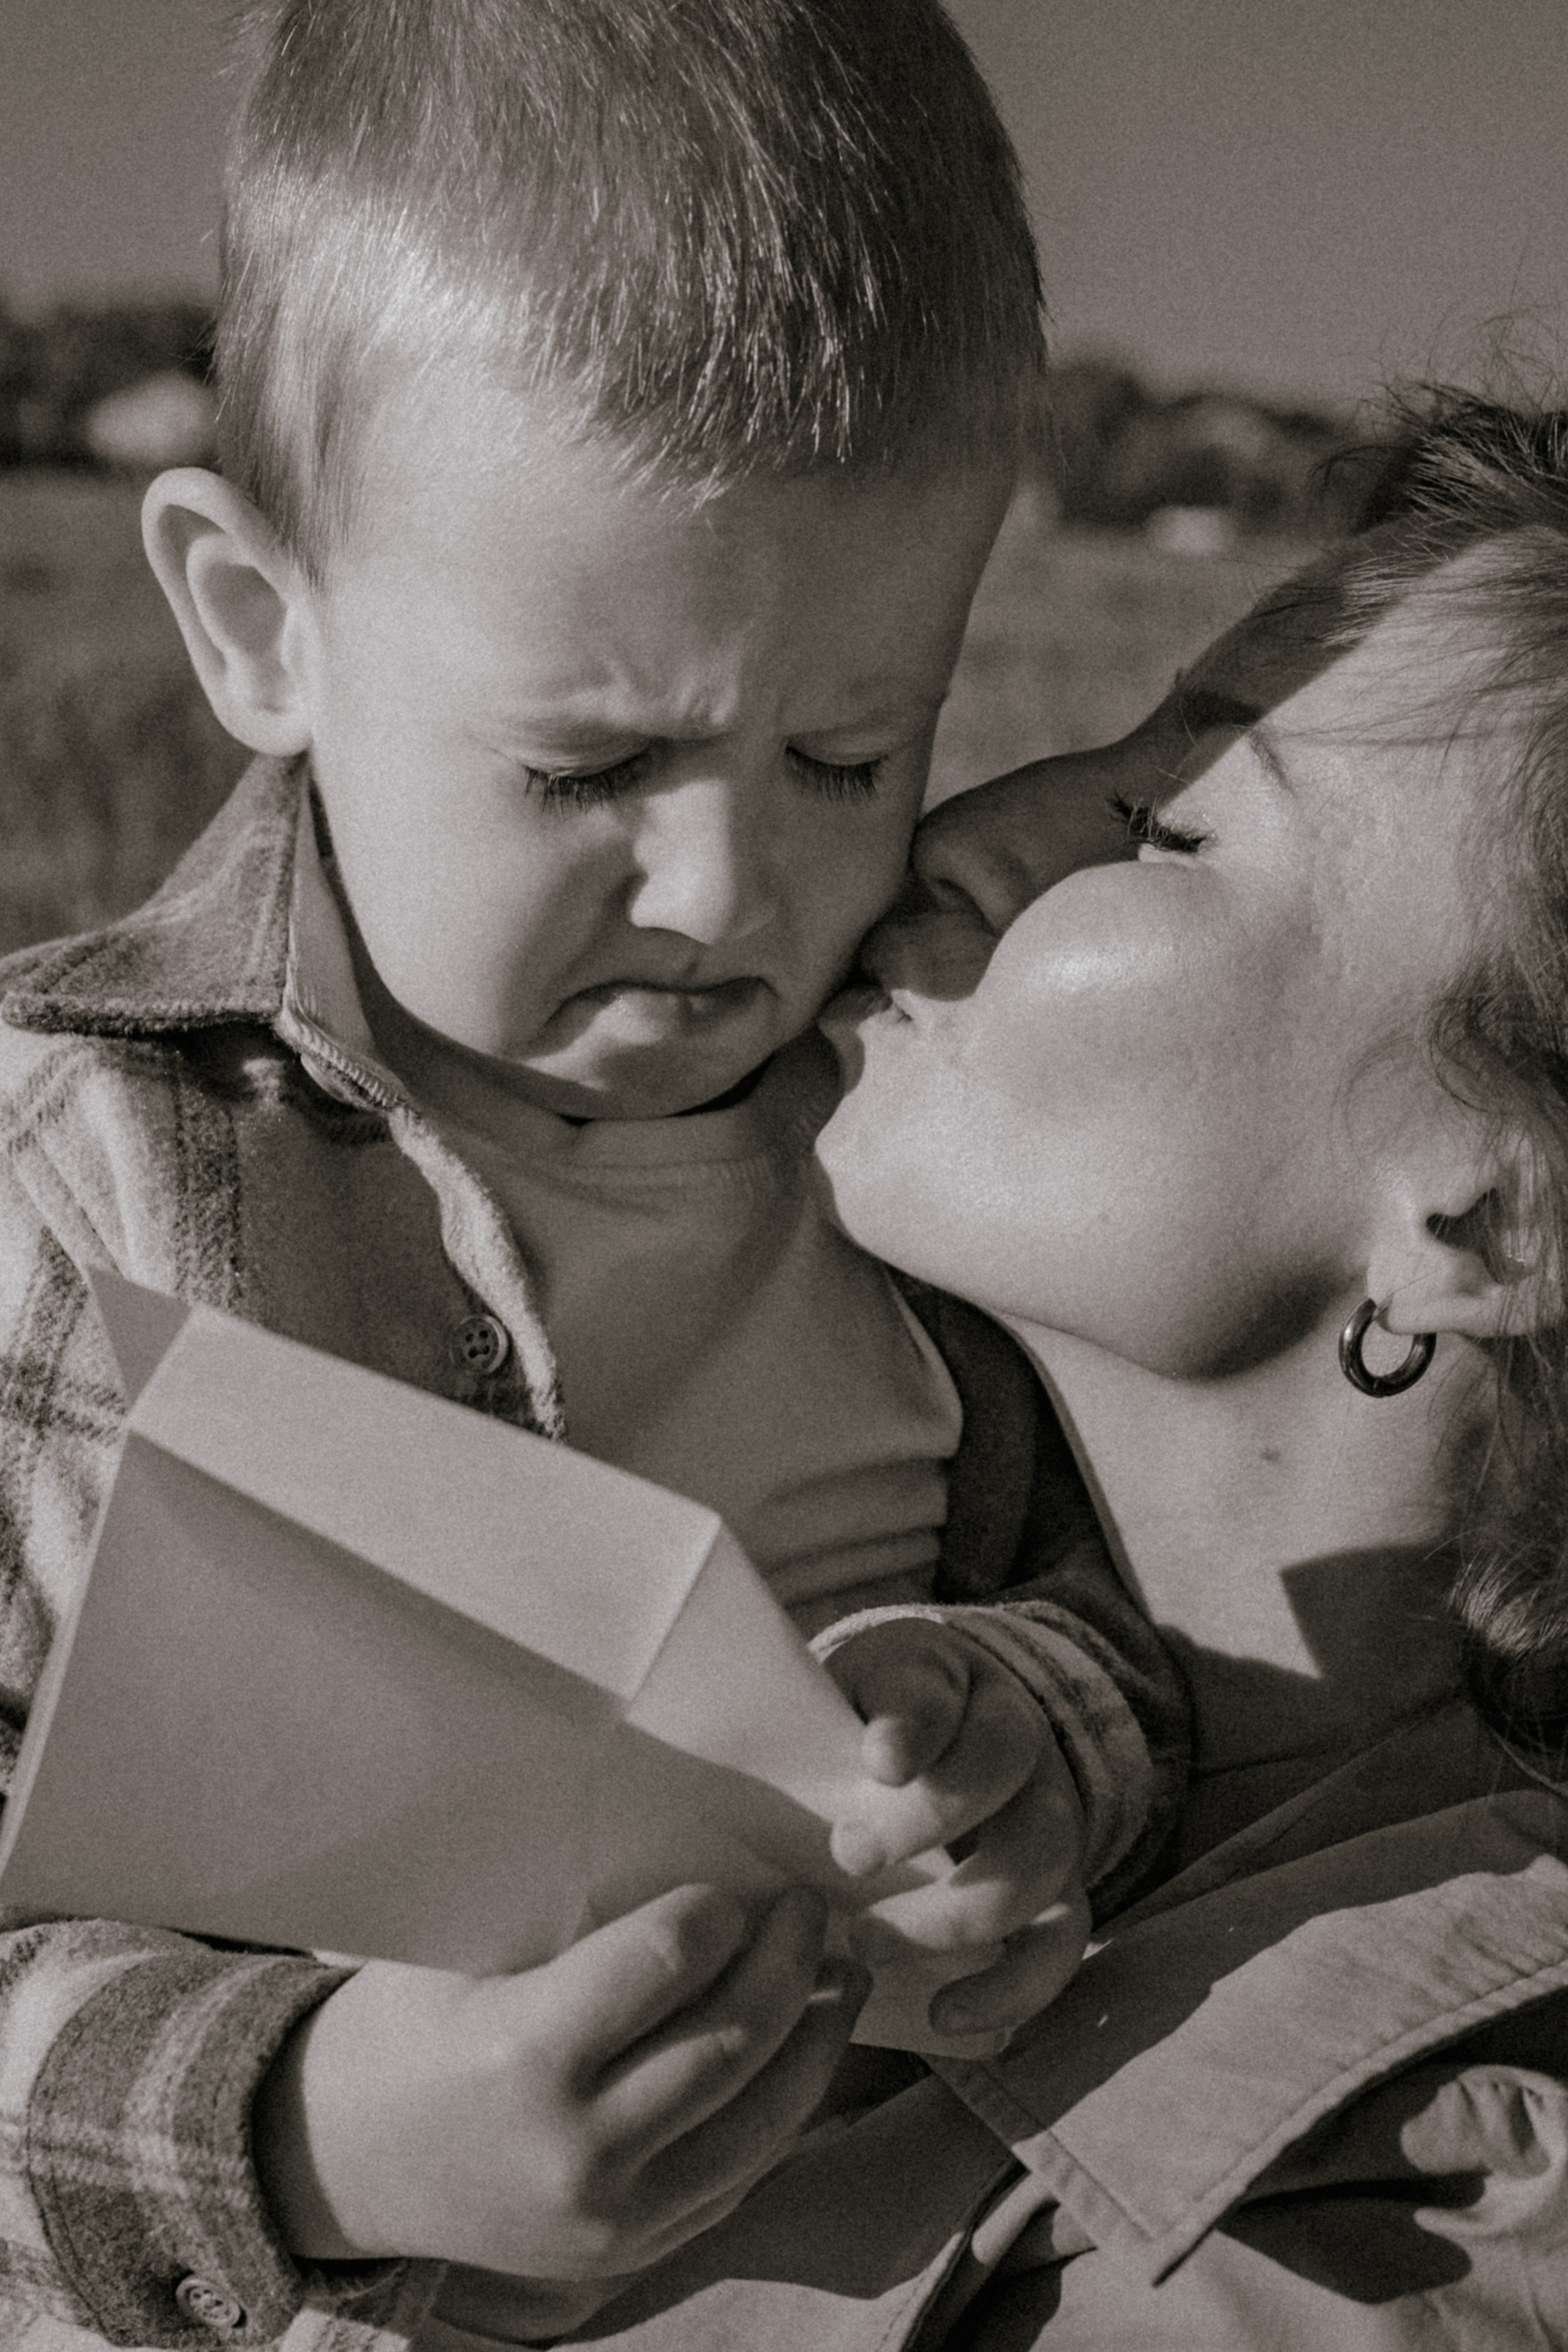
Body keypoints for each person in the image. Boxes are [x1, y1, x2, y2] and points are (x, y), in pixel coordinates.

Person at [0, 4, 1190, 2346]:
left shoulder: (922, 1134)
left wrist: (1023, 1746)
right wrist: (316, 2129)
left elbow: (1148, 1632)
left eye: (849, 754)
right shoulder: (79, 1182)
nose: (730, 892)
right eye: (586, 769)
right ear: (258, 627)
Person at [541, 391, 1568, 2350]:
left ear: (1494, 1222)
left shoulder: (1370, 2246)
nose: (969, 834)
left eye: (1170, 826)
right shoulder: (830, 1659)